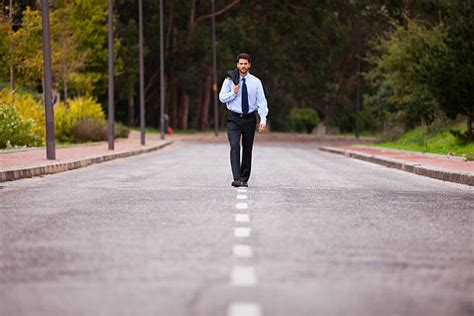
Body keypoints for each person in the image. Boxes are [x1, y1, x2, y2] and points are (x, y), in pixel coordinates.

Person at [219, 53, 268, 187]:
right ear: (237, 65)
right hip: (234, 118)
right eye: (241, 63)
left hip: (249, 119)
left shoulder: (256, 82)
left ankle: (244, 179)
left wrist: (263, 120)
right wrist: (233, 92)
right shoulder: (230, 80)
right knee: (234, 145)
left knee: (247, 148)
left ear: (249, 65)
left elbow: (261, 102)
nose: (243, 66)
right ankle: (236, 178)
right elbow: (221, 97)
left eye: (245, 63)